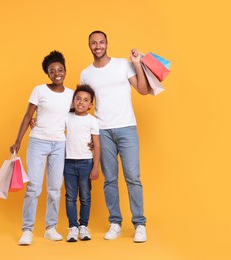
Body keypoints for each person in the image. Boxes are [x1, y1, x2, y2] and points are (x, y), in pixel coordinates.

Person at [80, 30, 150, 243]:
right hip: (103, 131)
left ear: (107, 44)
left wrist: (137, 63)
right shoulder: (86, 74)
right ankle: (115, 223)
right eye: (94, 43)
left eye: (101, 42)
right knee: (109, 179)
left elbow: (143, 90)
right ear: (89, 46)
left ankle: (139, 224)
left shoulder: (122, 64)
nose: (98, 46)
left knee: (132, 177)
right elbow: (82, 104)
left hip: (127, 127)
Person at [10, 50, 74, 245]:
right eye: (52, 70)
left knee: (55, 188)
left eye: (60, 69)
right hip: (38, 142)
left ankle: (50, 228)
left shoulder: (71, 94)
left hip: (59, 144)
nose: (57, 73)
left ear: (65, 71)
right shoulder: (39, 90)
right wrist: (18, 140)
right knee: (34, 187)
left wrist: (89, 139)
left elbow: (76, 118)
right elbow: (28, 116)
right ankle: (27, 230)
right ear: (48, 73)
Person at [64, 84, 101, 242]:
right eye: (78, 99)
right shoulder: (67, 116)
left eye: (86, 100)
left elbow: (97, 144)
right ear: (73, 101)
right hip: (68, 163)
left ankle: (83, 226)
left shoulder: (92, 121)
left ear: (91, 105)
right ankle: (73, 227)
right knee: (70, 196)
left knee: (85, 196)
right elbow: (52, 125)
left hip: (86, 162)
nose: (81, 102)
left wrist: (96, 166)